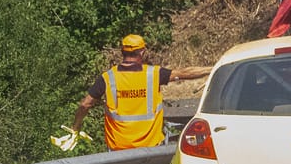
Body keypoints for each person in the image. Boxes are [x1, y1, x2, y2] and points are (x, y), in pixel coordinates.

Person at [71, 34, 210, 151]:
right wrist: (212, 68)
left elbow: (85, 104)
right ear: (142, 52)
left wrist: (75, 127)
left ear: (122, 51)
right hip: (149, 146)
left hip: (118, 147)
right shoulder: (153, 74)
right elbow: (185, 73)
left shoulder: (108, 77)